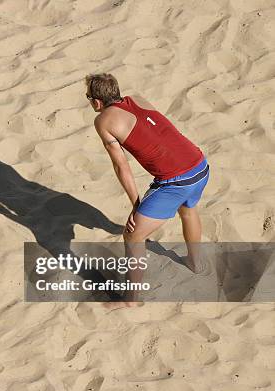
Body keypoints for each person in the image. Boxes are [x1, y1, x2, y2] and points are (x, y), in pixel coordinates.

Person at [85, 73, 210, 303]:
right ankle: (195, 263)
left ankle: (131, 300)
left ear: (96, 102)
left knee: (133, 235)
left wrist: (135, 205)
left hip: (176, 181)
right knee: (188, 209)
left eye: (88, 97)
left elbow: (121, 166)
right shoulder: (138, 99)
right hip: (201, 167)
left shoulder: (103, 121)